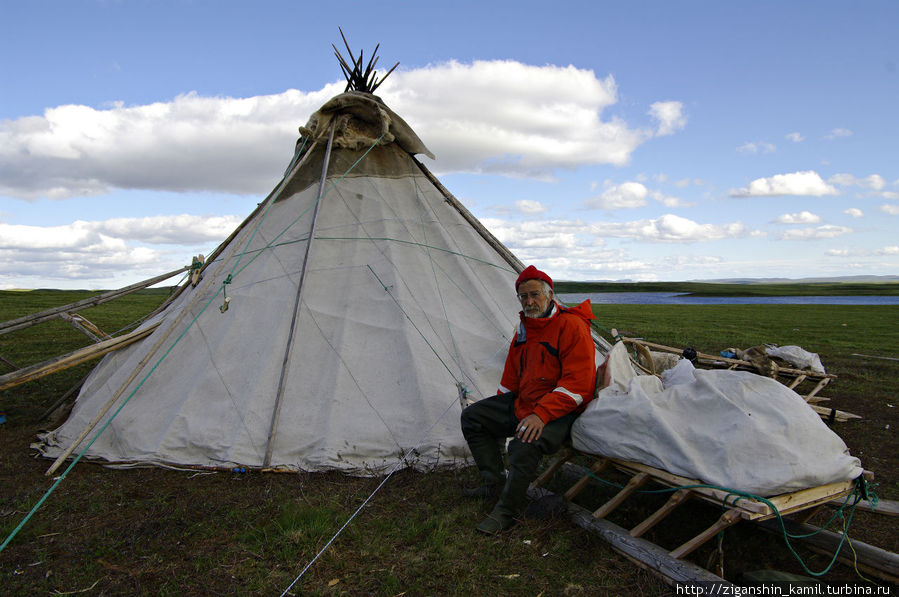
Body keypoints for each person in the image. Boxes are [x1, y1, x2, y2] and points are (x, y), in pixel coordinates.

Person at [460, 265, 597, 534]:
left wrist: (542, 414)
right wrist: (500, 410)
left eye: (534, 294)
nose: (529, 302)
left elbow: (578, 384)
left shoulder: (572, 326)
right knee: (474, 417)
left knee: (524, 443)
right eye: (523, 297)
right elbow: (511, 374)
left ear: (550, 295)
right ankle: (494, 483)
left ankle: (507, 511)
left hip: (562, 410)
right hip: (526, 402)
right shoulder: (525, 327)